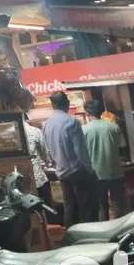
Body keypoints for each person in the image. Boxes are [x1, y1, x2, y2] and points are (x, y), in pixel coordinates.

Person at [42, 92, 98, 226]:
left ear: (53, 105)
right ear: (65, 103)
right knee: (86, 208)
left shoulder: (47, 124)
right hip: (78, 171)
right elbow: (80, 150)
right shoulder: (72, 122)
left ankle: (71, 236)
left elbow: (48, 150)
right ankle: (90, 237)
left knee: (69, 207)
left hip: (61, 172)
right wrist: (90, 170)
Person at [82, 99, 125, 221]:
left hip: (96, 174)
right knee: (117, 204)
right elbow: (121, 146)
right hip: (115, 171)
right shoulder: (114, 127)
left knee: (102, 205)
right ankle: (120, 229)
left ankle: (105, 231)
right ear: (101, 112)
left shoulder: (84, 130)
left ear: (87, 114)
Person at [22, 113, 52, 209]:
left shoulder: (10, 133)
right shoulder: (34, 131)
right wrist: (48, 162)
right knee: (46, 207)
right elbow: (45, 154)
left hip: (22, 183)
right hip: (38, 178)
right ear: (26, 118)